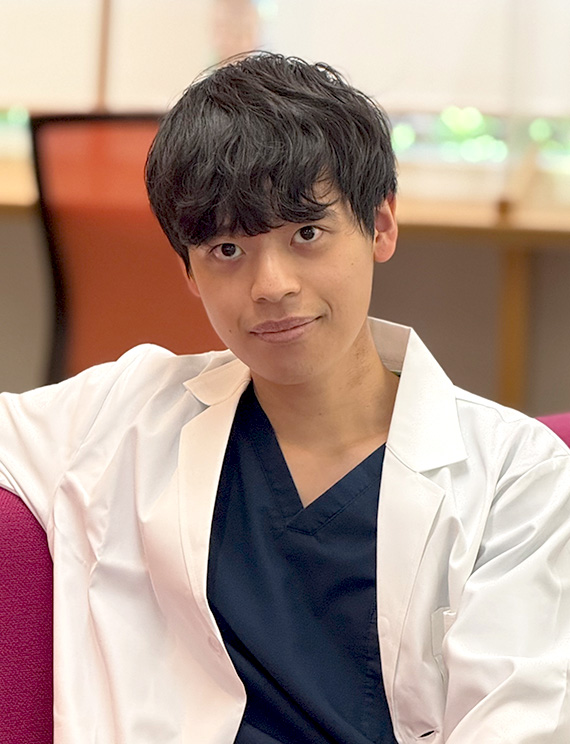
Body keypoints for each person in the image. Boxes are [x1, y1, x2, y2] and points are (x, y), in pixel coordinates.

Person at [1, 52, 570, 744]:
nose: (271, 285)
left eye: (306, 234)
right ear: (188, 271)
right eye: (227, 250)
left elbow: (518, 722)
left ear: (380, 225)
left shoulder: (516, 481)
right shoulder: (125, 412)